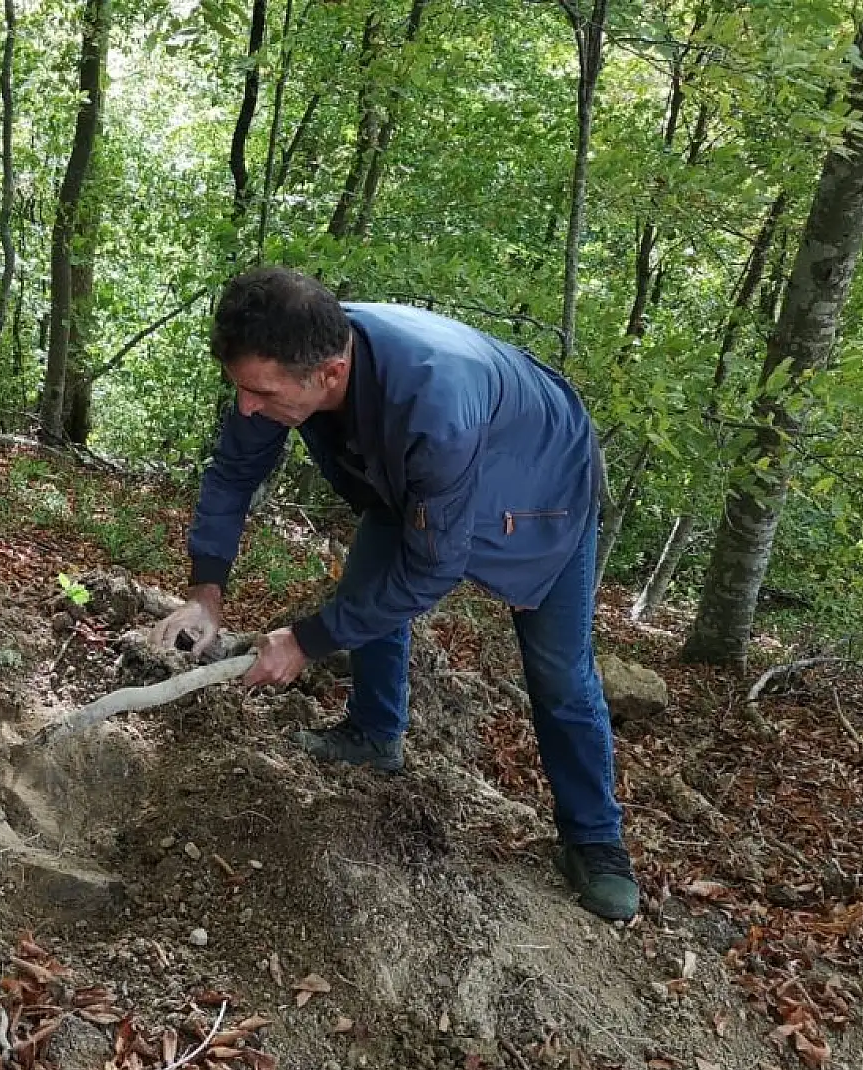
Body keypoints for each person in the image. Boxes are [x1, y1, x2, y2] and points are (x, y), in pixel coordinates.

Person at [147, 266, 637, 922]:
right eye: (242, 389)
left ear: (327, 375)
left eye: (259, 393)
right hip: (409, 472)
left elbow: (432, 569)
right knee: (369, 585)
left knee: (558, 671)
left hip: (543, 482)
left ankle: (595, 839)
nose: (246, 408)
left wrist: (306, 641)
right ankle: (376, 733)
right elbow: (233, 473)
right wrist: (206, 595)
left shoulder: (432, 407)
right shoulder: (287, 355)